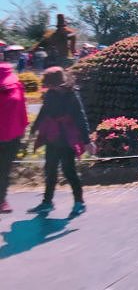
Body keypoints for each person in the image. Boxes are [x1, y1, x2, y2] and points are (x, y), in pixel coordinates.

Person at [28, 67, 92, 217]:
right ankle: (47, 202)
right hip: (53, 136)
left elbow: (80, 118)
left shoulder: (72, 95)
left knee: (69, 170)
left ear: (58, 83)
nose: (49, 87)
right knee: (50, 170)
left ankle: (79, 202)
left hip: (67, 138)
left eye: (51, 85)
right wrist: (33, 129)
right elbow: (43, 112)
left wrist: (87, 141)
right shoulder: (50, 94)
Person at [0, 62, 28, 214]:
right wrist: (23, 128)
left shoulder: (17, 86)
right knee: (4, 170)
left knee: (3, 170)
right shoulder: (17, 86)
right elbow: (23, 111)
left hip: (10, 136)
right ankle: (2, 201)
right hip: (12, 136)